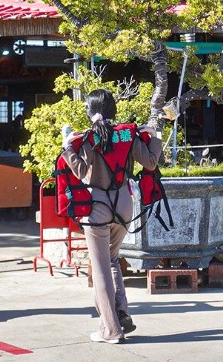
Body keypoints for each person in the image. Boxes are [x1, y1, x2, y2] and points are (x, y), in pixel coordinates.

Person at [60, 89, 162, 344]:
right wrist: (155, 136)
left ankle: (111, 330)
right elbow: (150, 162)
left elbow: (81, 170)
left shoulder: (88, 138)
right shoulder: (127, 134)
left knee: (101, 269)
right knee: (114, 259)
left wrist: (66, 147)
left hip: (98, 207)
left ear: (90, 111)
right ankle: (121, 312)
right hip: (124, 206)